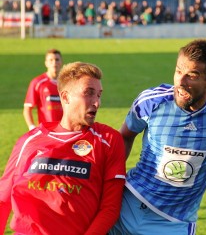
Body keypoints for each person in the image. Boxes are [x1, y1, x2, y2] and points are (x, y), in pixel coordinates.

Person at [109, 39, 206, 235]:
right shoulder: (152, 101)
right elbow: (124, 136)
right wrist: (110, 181)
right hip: (128, 205)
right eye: (178, 71)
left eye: (192, 75)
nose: (181, 82)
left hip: (174, 223)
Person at [0, 62, 126, 234]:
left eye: (99, 95)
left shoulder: (108, 140)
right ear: (65, 97)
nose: (97, 103)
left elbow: (110, 208)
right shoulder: (29, 141)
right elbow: (3, 200)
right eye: (89, 93)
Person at [23, 49, 63, 130]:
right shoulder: (38, 82)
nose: (54, 63)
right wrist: (32, 127)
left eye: (57, 59)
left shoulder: (68, 83)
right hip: (46, 131)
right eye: (51, 60)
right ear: (46, 63)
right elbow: (27, 108)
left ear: (61, 62)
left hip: (66, 130)